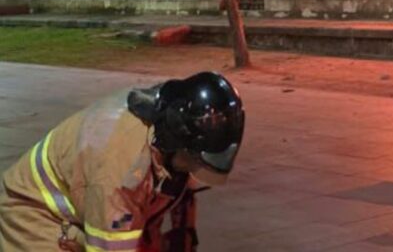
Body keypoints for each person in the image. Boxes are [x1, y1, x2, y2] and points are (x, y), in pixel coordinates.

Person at [0, 71, 245, 251]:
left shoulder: (169, 130)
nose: (195, 170)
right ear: (173, 141)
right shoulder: (120, 171)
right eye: (194, 161)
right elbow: (112, 245)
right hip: (33, 214)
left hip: (86, 207)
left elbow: (176, 201)